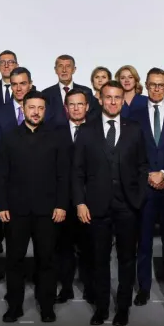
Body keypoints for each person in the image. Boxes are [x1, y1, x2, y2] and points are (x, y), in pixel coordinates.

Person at [73, 80, 148, 326]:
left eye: (117, 97)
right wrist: (80, 203)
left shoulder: (135, 129)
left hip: (127, 205)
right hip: (96, 206)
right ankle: (102, 307)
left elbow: (142, 166)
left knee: (127, 259)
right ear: (100, 99)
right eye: (108, 97)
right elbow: (77, 172)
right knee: (99, 259)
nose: (113, 101)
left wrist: (138, 198)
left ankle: (123, 307)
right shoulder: (86, 130)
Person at [0, 90, 70, 323]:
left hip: (48, 211)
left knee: (46, 260)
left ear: (45, 111)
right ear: (23, 109)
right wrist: (1, 204)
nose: (36, 112)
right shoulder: (9, 137)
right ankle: (14, 306)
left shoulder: (57, 137)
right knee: (14, 261)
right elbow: (1, 175)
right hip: (15, 211)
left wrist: (61, 205)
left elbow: (63, 175)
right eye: (31, 108)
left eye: (40, 108)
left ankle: (46, 306)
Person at [130, 68, 164, 307]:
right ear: (147, 85)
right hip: (144, 188)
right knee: (143, 242)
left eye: (161, 85)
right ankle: (143, 288)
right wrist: (147, 175)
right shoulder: (134, 115)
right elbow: (130, 153)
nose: (156, 89)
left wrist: (163, 173)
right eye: (152, 85)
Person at [0, 66, 35, 258]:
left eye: (23, 83)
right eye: (14, 84)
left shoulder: (40, 108)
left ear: (30, 84)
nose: (19, 88)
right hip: (8, 173)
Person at [55, 88, 95, 304]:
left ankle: (90, 287)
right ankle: (67, 287)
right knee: (64, 247)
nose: (77, 108)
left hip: (90, 200)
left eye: (80, 104)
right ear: (66, 108)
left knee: (89, 247)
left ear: (87, 106)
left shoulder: (97, 131)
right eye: (72, 104)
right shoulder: (57, 132)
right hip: (64, 201)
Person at [42, 54, 97, 125]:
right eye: (60, 66)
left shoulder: (86, 91)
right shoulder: (46, 93)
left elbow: (90, 117)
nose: (64, 70)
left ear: (74, 69)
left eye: (68, 66)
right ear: (55, 70)